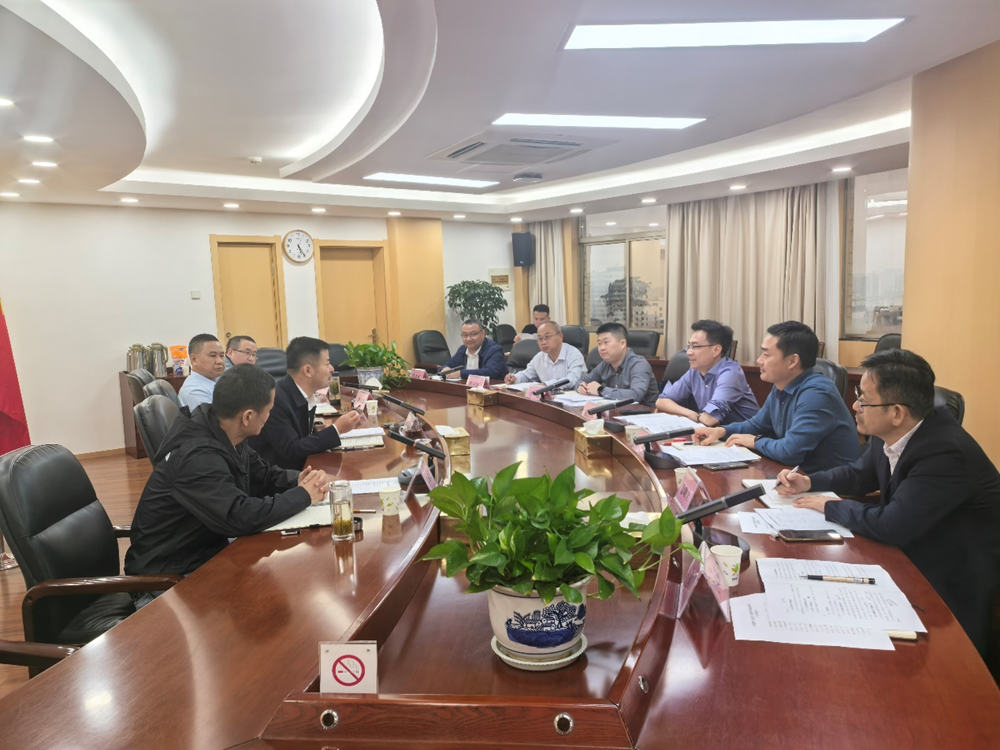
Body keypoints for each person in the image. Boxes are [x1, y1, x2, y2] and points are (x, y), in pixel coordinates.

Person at [779, 349, 1000, 658]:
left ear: (896, 412)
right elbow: (859, 475)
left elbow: (892, 524)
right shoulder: (893, 430)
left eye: (864, 400)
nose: (855, 406)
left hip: (951, 582)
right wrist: (809, 482)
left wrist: (829, 506)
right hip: (912, 551)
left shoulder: (945, 452)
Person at [124, 364, 331, 581]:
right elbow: (238, 516)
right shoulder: (197, 456)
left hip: (208, 551)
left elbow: (263, 474)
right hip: (170, 577)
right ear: (247, 417)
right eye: (269, 410)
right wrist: (303, 495)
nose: (270, 416)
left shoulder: (225, 430)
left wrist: (298, 479)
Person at [693, 321, 860, 473]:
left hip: (827, 485)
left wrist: (754, 441)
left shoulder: (817, 394)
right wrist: (720, 431)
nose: (759, 361)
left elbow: (790, 451)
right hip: (794, 476)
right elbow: (757, 424)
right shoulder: (782, 385)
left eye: (766, 355)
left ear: (792, 361)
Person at [248, 336, 364, 470]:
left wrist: (319, 431)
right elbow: (291, 450)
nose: (332, 369)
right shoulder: (275, 400)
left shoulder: (299, 393)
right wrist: (336, 429)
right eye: (327, 364)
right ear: (308, 370)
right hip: (277, 477)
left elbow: (299, 437)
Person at [656, 320, 759, 426]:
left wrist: (697, 416)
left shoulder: (730, 373)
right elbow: (662, 401)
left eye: (695, 346)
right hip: (714, 432)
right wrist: (692, 414)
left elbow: (711, 419)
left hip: (743, 434)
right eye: (689, 346)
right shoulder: (694, 372)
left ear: (716, 350)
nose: (689, 352)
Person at [577, 322, 658, 407]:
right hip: (616, 411)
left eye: (606, 342)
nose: (602, 348)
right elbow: (581, 381)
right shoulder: (605, 364)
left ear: (622, 343)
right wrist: (581, 387)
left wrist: (601, 390)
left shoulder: (639, 364)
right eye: (599, 343)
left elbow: (636, 395)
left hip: (643, 412)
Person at [504, 320, 586, 389]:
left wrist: (546, 385)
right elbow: (526, 374)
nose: (543, 342)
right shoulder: (539, 357)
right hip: (547, 399)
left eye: (547, 337)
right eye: (540, 338)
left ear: (560, 336)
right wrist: (515, 378)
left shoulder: (574, 355)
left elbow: (571, 380)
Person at [440, 319, 508, 381]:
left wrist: (460, 373)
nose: (468, 339)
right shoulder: (462, 349)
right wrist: (445, 369)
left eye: (473, 334)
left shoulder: (495, 350)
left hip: (493, 388)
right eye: (465, 335)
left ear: (483, 333)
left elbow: (490, 372)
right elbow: (446, 365)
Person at [177, 333, 226, 412]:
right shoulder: (195, 392)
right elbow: (217, 419)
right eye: (213, 355)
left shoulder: (217, 379)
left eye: (222, 355)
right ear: (194, 360)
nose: (220, 361)